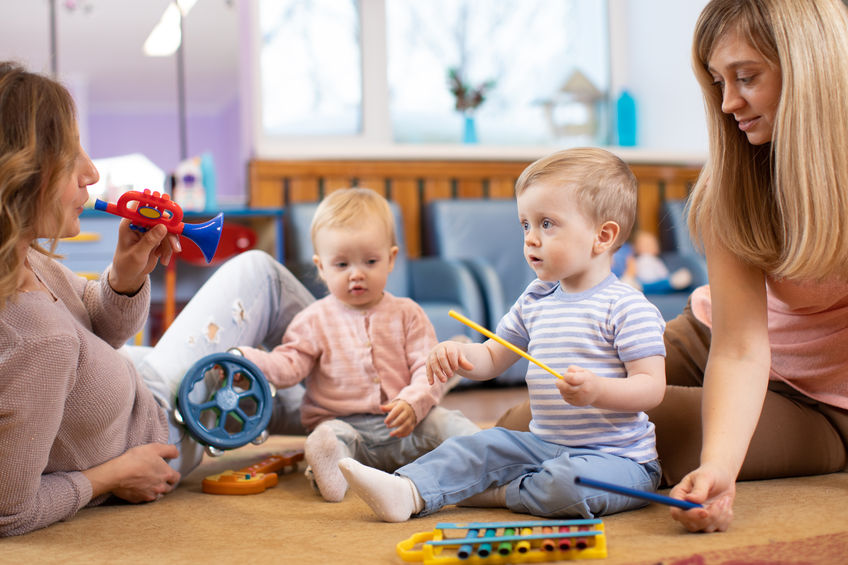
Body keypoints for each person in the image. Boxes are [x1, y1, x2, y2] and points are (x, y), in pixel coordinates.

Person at [497, 0, 848, 534]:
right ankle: (413, 445)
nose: (729, 102)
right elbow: (739, 346)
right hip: (713, 338)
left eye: (747, 77)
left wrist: (717, 468)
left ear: (813, 67)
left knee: (566, 437)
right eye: (717, 81)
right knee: (538, 414)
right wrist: (722, 461)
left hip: (819, 400)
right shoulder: (736, 177)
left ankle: (443, 447)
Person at [0, 62, 314, 537]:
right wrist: (109, 477)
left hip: (137, 381)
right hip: (161, 420)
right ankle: (375, 367)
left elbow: (100, 331)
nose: (91, 172)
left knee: (302, 395)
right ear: (22, 176)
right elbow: (10, 510)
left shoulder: (24, 259)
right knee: (261, 275)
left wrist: (124, 277)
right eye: (71, 157)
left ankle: (376, 391)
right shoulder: (36, 343)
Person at [338, 148, 667, 522]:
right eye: (525, 224)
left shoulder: (628, 307)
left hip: (618, 461)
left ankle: (499, 492)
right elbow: (493, 358)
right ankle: (408, 490)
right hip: (542, 445)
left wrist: (599, 391)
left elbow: (651, 388)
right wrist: (459, 356)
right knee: (477, 446)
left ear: (602, 236)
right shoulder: (536, 298)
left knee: (567, 485)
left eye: (547, 224)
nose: (530, 238)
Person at [236, 188, 479, 502]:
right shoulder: (313, 319)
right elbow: (289, 364)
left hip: (407, 424)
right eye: (341, 265)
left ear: (391, 259)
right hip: (347, 430)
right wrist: (250, 360)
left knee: (447, 422)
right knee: (328, 438)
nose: (356, 275)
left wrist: (413, 402)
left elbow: (426, 369)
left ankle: (487, 454)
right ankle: (334, 474)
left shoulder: (408, 313)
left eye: (370, 261)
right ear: (321, 267)